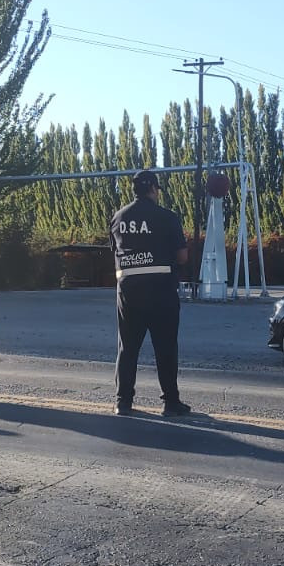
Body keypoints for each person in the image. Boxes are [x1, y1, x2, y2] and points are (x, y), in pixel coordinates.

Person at [110, 170, 191, 417]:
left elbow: (114, 252)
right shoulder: (167, 217)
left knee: (128, 348)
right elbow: (182, 256)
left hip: (128, 293)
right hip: (161, 293)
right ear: (154, 189)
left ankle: (123, 402)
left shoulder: (118, 217)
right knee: (165, 347)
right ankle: (170, 402)